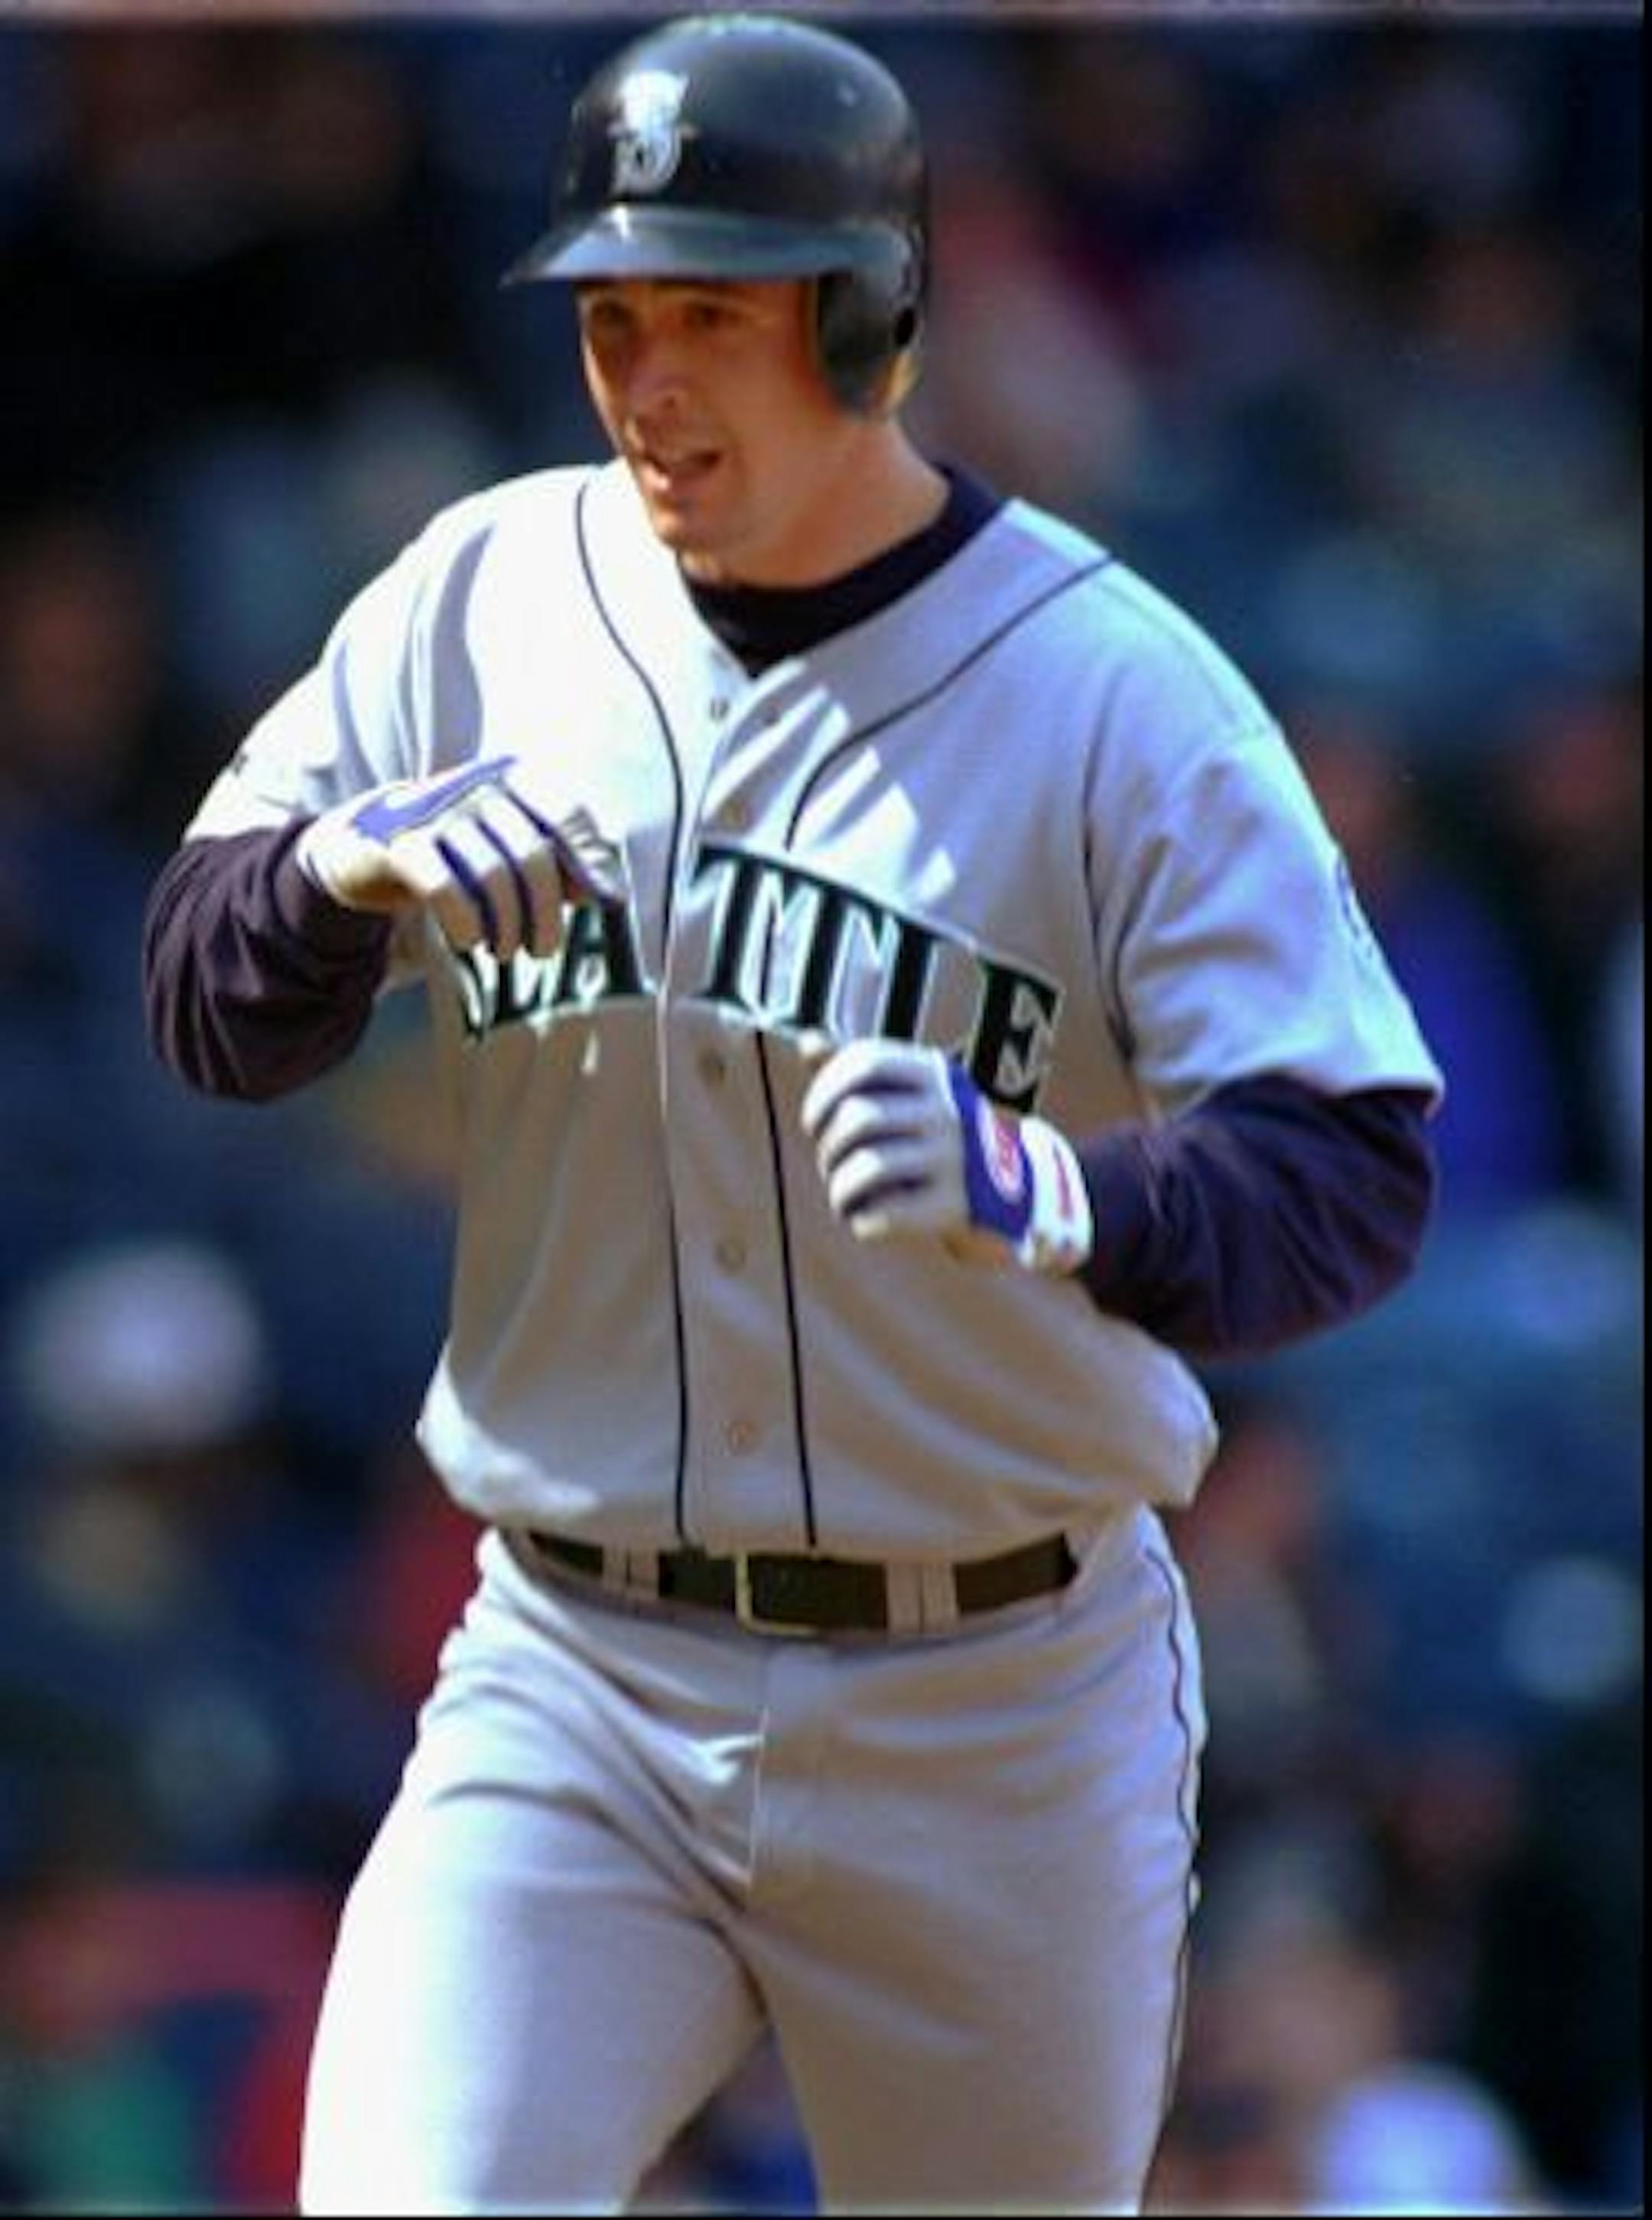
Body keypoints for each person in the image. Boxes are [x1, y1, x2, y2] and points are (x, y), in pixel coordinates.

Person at [140, 14, 1443, 2212]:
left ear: (872, 324)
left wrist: (1061, 1188)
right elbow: (198, 993)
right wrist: (328, 885)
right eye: (614, 318)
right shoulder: (484, 597)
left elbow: (1352, 1164)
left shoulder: (1116, 693)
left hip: (1000, 1708)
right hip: (575, 1667)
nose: (648, 380)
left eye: (715, 318)